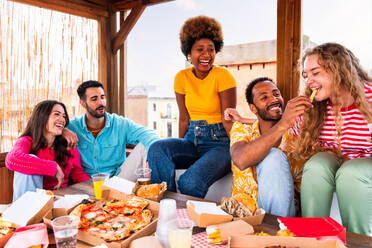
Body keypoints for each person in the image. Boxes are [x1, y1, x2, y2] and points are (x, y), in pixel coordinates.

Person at [147, 15, 237, 198]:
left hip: (219, 143)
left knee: (190, 182)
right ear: (189, 53)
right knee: (156, 148)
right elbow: (183, 118)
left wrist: (237, 150)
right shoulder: (182, 77)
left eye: (211, 49)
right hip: (191, 139)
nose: (206, 55)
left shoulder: (223, 75)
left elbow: (229, 119)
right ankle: (163, 205)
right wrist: (179, 148)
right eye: (200, 49)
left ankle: (185, 217)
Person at [293, 43, 372, 235]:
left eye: (315, 73)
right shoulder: (315, 107)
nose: (309, 81)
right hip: (339, 161)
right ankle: (313, 238)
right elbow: (286, 128)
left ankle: (359, 242)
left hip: (361, 168)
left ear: (338, 70)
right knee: (317, 164)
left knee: (350, 173)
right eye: (306, 75)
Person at [226, 77, 312, 217]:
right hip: (244, 216)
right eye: (264, 97)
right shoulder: (242, 130)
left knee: (273, 157)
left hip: (284, 217)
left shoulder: (296, 135)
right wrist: (283, 123)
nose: (273, 99)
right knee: (273, 155)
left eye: (276, 94)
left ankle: (274, 233)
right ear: (253, 108)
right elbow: (241, 159)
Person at [64, 80, 160, 178]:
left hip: (117, 179)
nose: (101, 103)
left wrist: (149, 158)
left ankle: (153, 190)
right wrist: (63, 131)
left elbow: (149, 134)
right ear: (83, 103)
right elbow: (50, 130)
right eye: (94, 99)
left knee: (145, 146)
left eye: (102, 97)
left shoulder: (120, 123)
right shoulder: (73, 126)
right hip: (86, 182)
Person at [5, 100, 89, 201]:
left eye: (64, 116)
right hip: (34, 202)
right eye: (57, 114)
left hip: (60, 202)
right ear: (42, 117)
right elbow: (12, 160)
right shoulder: (26, 141)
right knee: (30, 159)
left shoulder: (68, 147)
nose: (62, 119)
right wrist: (54, 167)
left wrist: (100, 189)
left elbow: (79, 175)